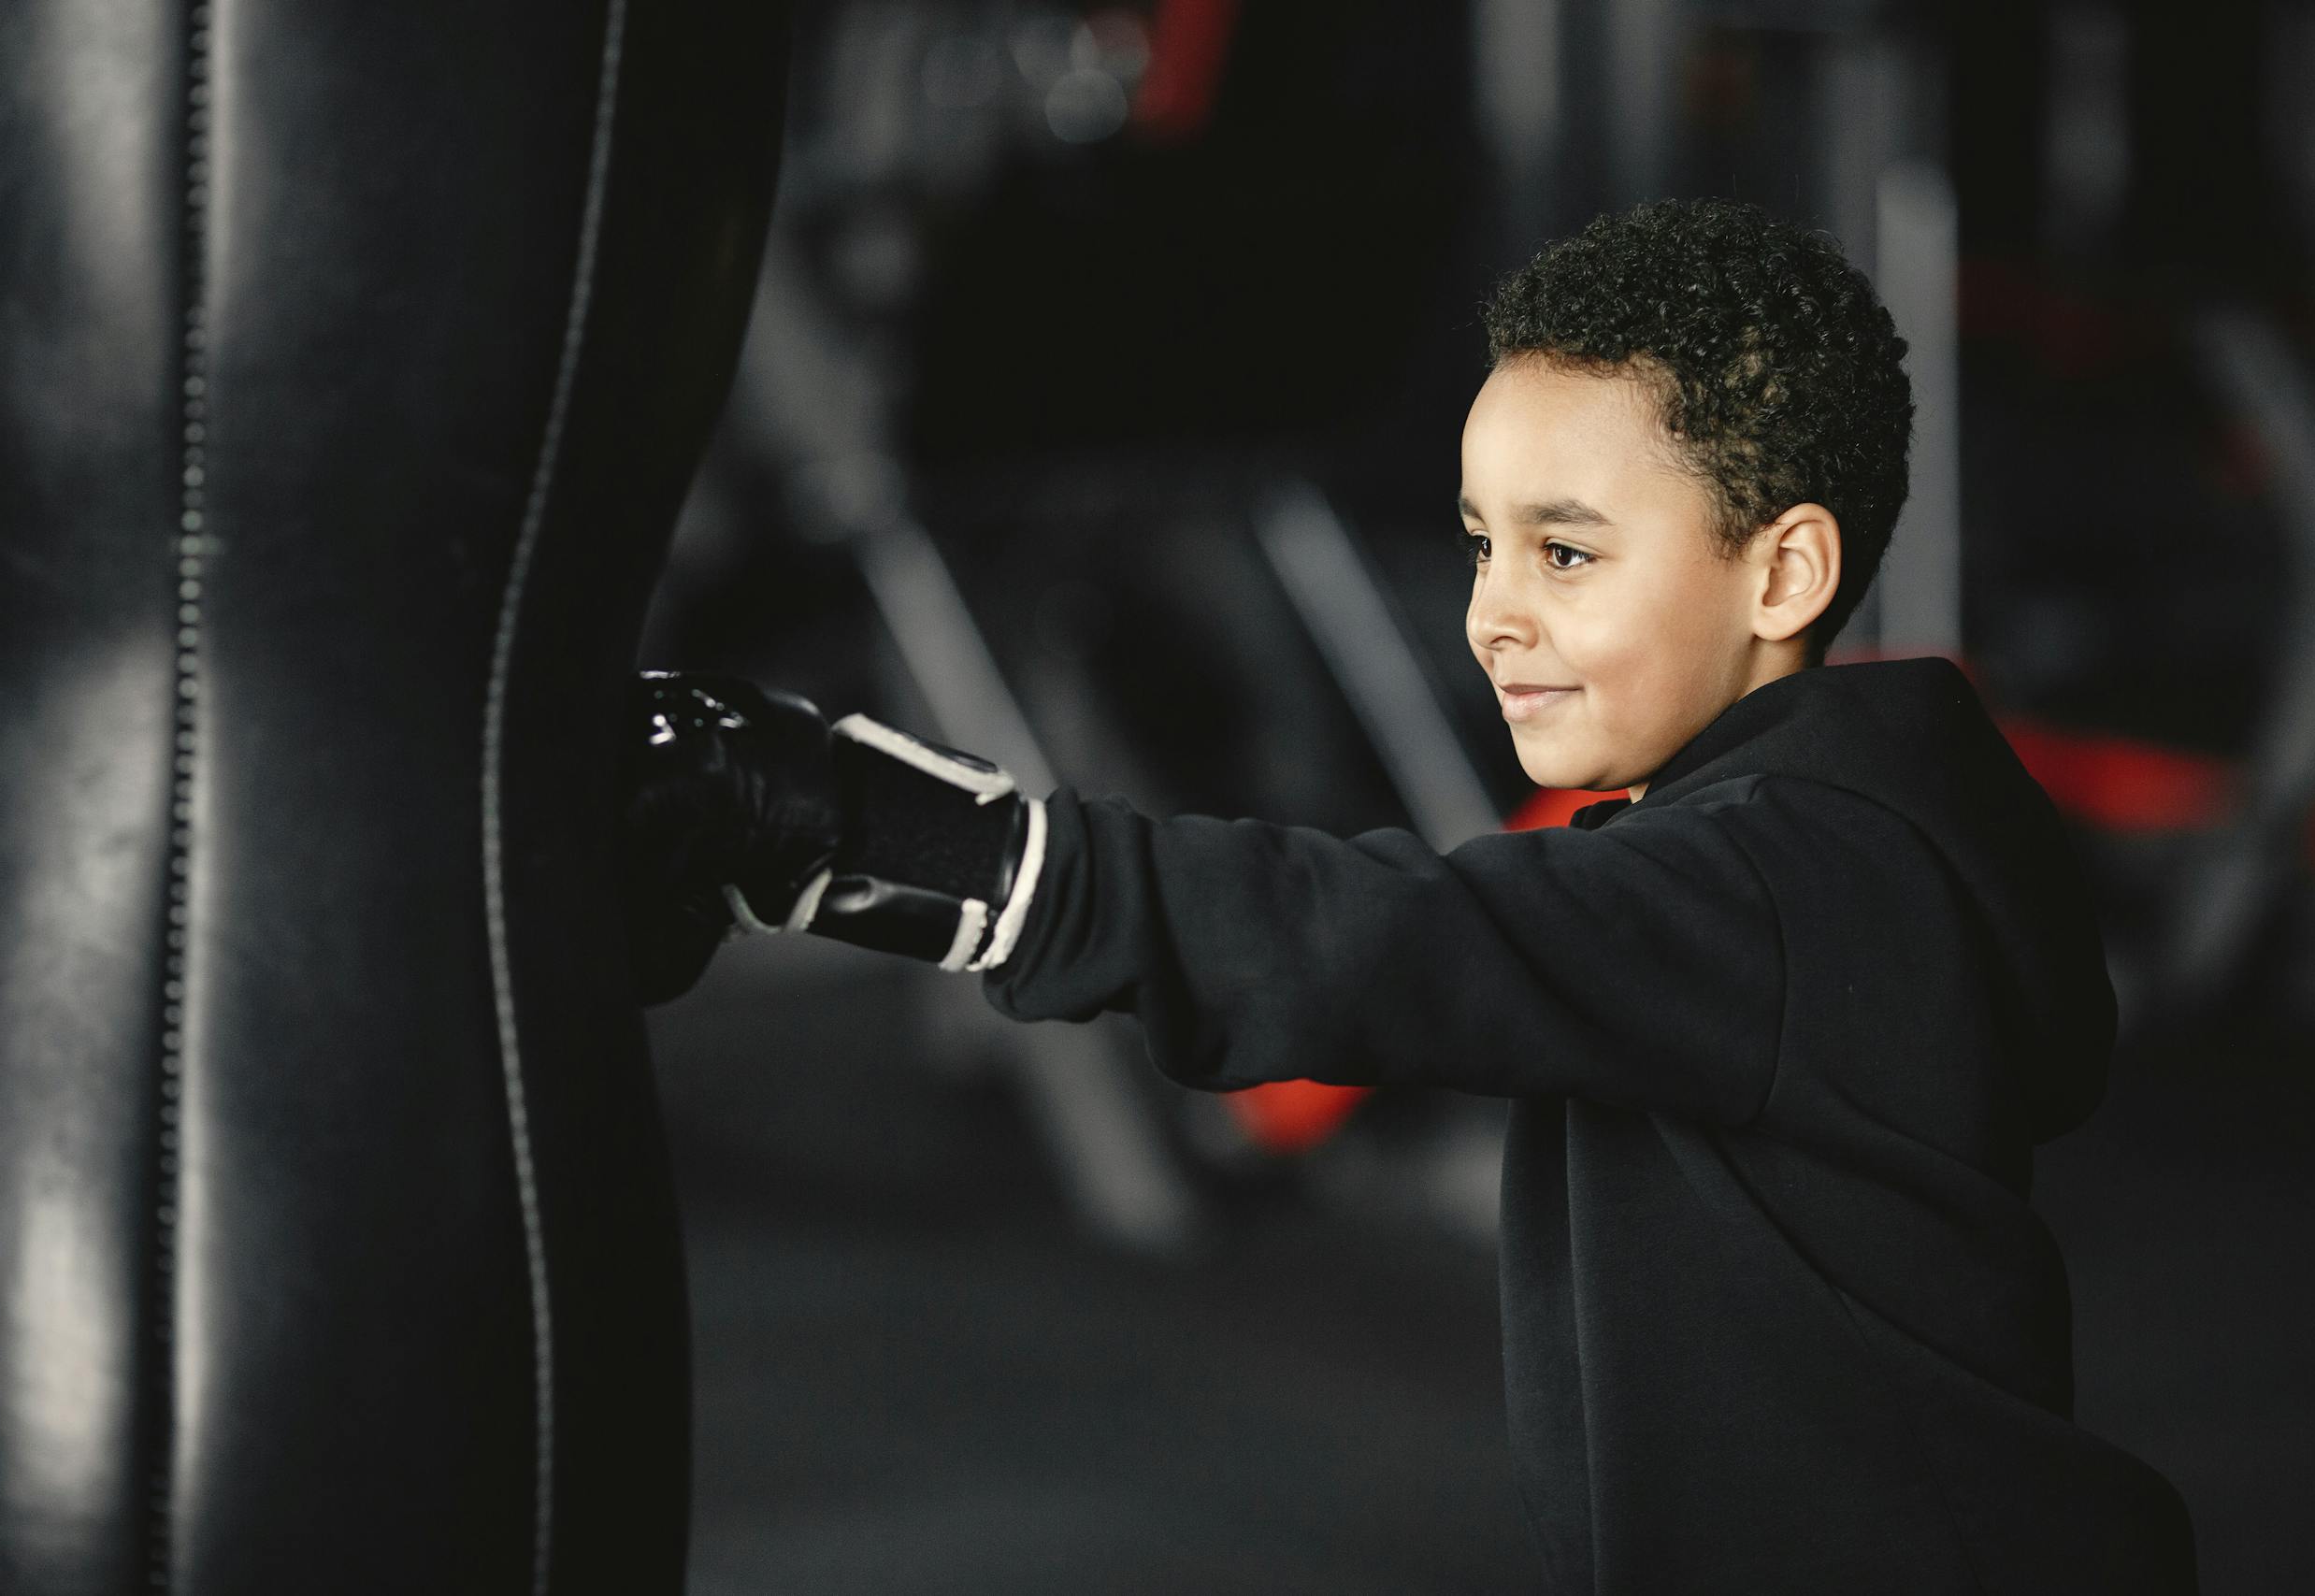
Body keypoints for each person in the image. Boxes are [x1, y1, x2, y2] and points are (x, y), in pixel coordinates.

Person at [620, 197, 2200, 1594]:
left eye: (1567, 555)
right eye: (1479, 548)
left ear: (1780, 574)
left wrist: (855, 827)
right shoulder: (1839, 831)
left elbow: (1379, 941)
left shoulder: (1792, 884)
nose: (1495, 617)